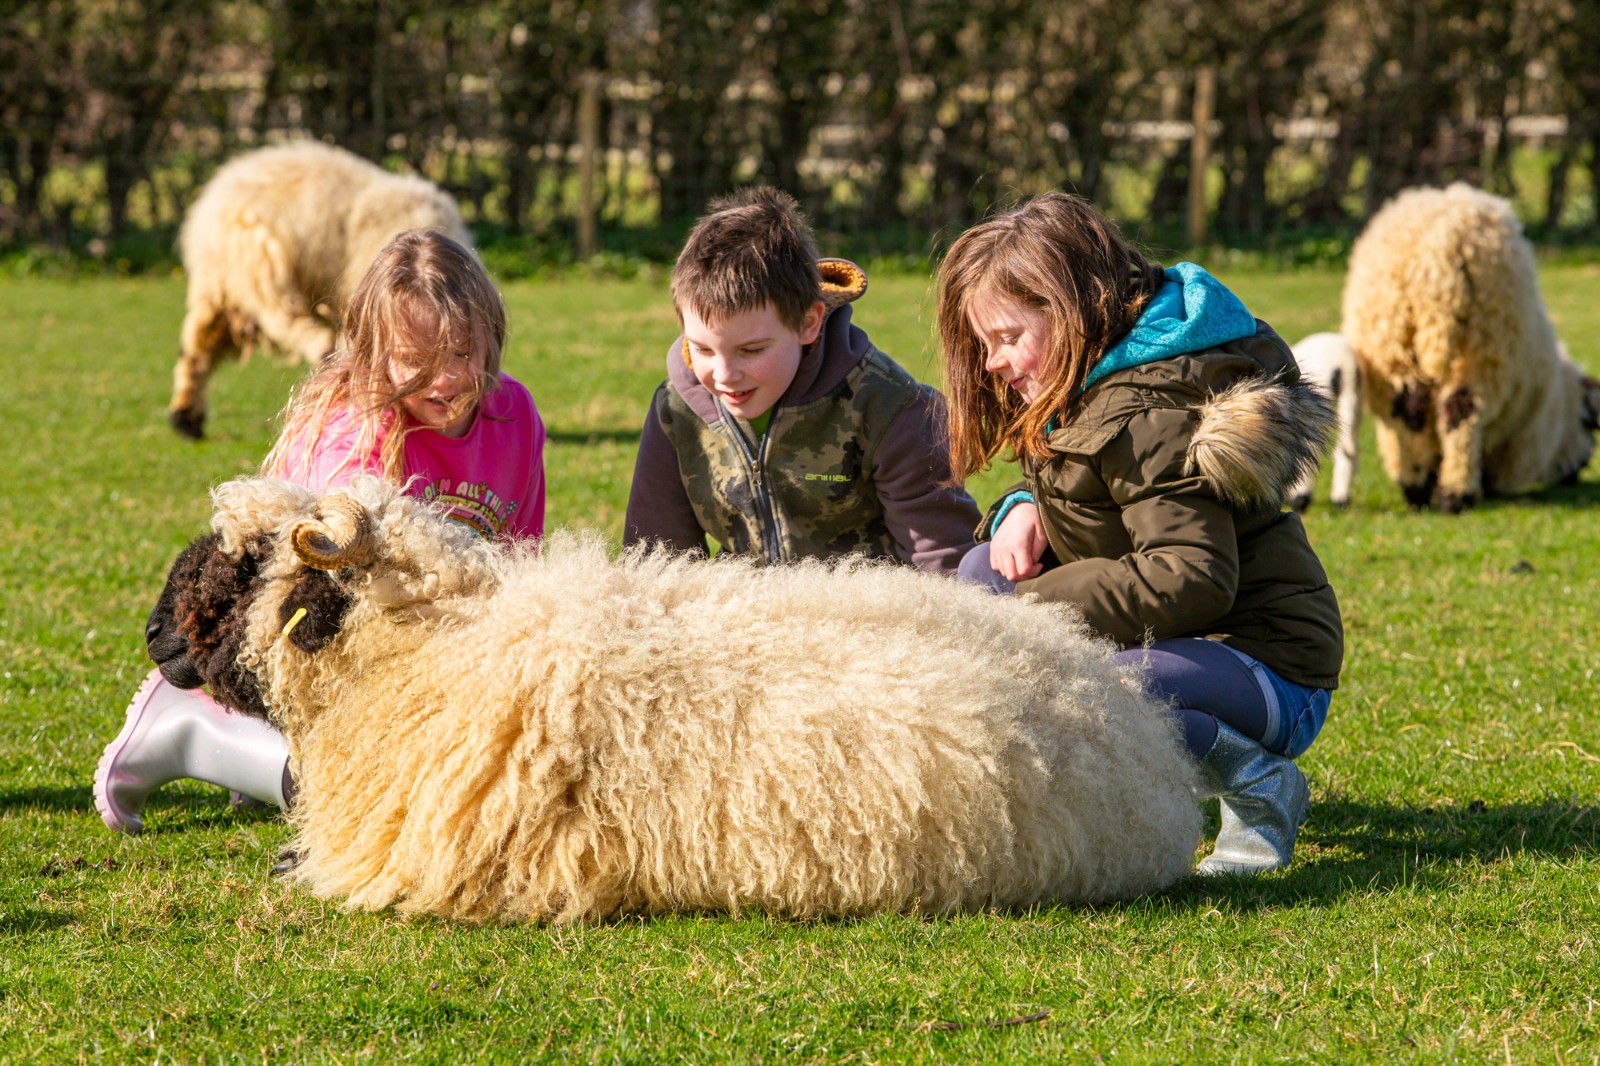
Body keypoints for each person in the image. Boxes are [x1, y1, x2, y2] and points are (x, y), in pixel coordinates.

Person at [938, 193, 1343, 875]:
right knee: (985, 573)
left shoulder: (1145, 411)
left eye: (1007, 338)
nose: (992, 365)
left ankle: (1259, 784)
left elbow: (1191, 578)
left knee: (1109, 694)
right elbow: (1101, 502)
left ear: (1070, 311)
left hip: (1267, 666)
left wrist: (1036, 609)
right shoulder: (1090, 380)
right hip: (1186, 642)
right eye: (983, 344)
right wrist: (1020, 506)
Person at [94, 229, 546, 834]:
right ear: (371, 354)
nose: (445, 381)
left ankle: (251, 758)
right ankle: (193, 732)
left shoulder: (512, 415)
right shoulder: (353, 439)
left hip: (441, 640)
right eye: (416, 361)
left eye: (464, 353)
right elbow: (331, 606)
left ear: (492, 333)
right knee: (396, 791)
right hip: (325, 642)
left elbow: (520, 558)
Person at [624, 186, 979, 572]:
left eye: (752, 350)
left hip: (873, 620)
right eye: (703, 350)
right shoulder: (677, 410)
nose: (724, 375)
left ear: (808, 322)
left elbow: (946, 567)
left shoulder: (891, 408)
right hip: (747, 620)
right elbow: (654, 564)